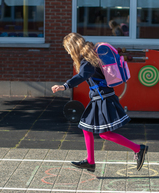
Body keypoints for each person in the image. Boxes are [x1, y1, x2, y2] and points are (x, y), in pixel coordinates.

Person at [51, 33, 148, 172]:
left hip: (103, 99)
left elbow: (82, 75)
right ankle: (90, 161)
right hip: (100, 97)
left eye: (67, 49)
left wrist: (65, 85)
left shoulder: (88, 59)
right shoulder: (91, 54)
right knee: (86, 127)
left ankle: (139, 149)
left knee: (104, 134)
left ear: (73, 47)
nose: (67, 52)